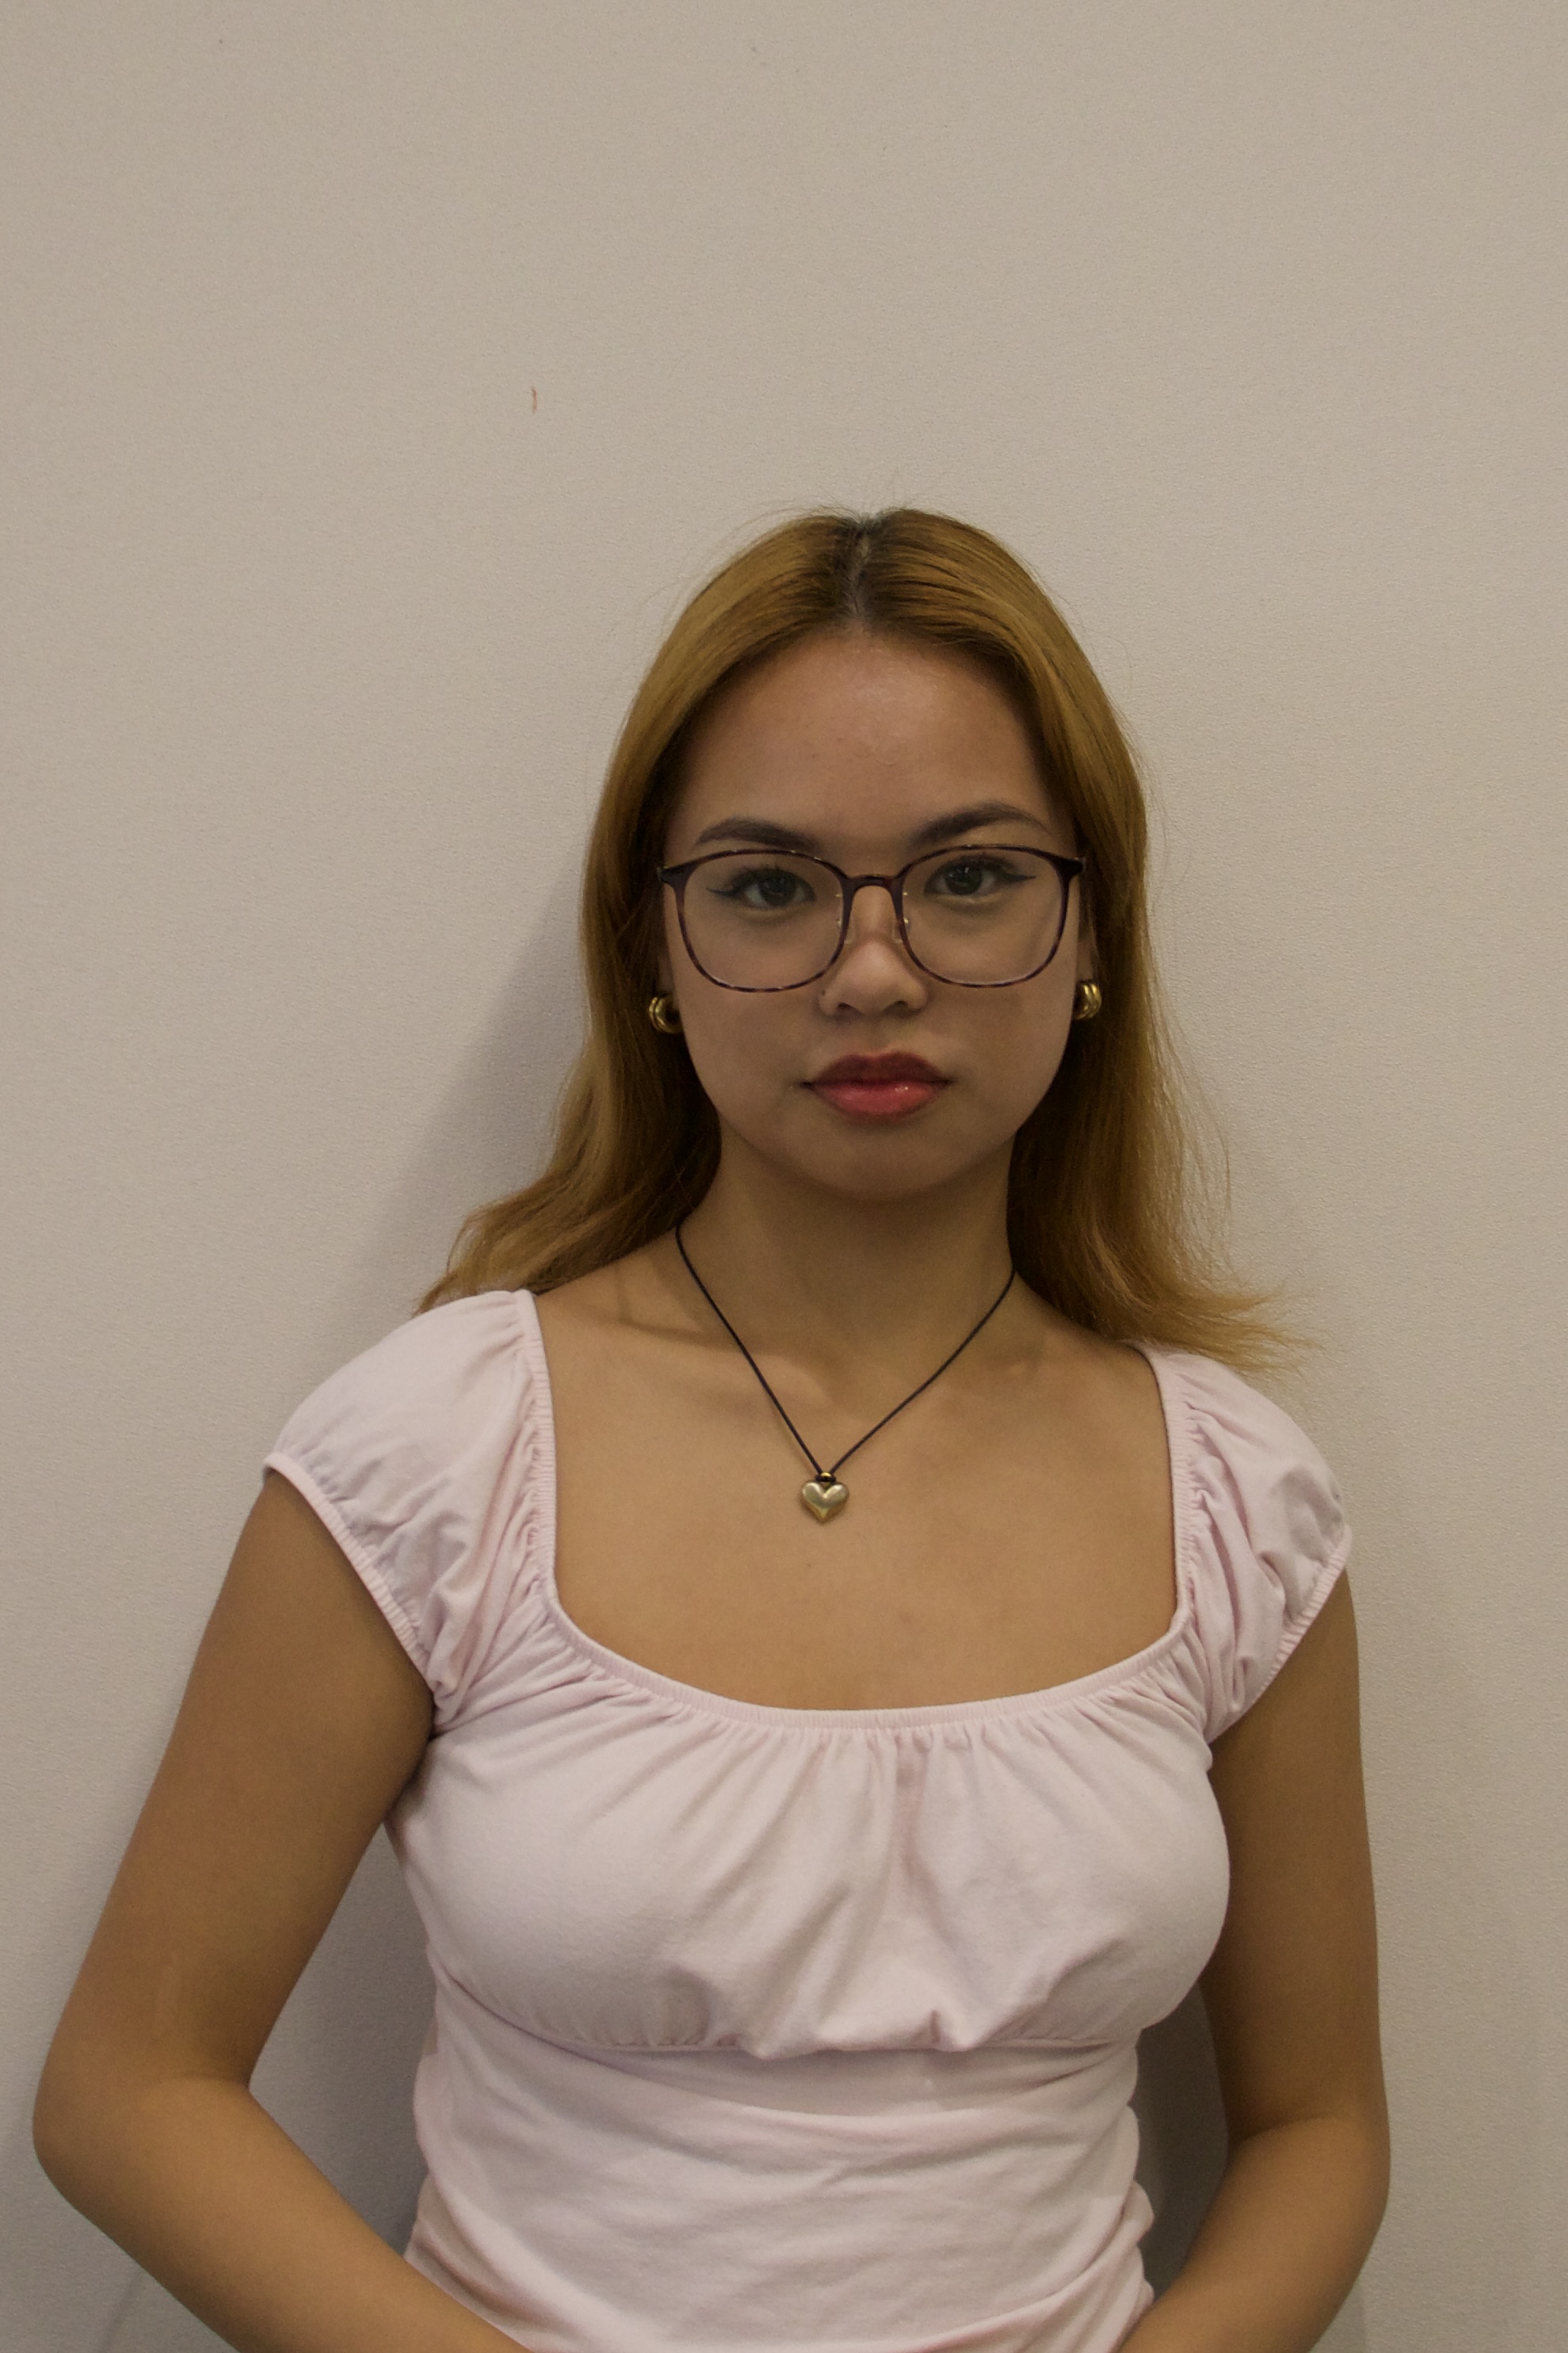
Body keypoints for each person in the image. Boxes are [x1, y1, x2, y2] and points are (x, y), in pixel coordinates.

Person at [35, 509, 1388, 2353]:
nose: (874, 971)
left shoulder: (1240, 1500)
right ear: (654, 951)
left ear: (1093, 934)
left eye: (971, 876)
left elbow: (1318, 2126)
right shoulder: (439, 1453)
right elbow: (132, 2087)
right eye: (768, 886)